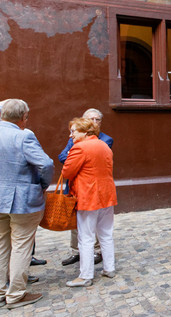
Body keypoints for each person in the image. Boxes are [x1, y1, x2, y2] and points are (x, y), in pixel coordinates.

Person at [0, 99, 53, 309]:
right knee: (22, 245)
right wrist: (42, 184)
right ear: (23, 117)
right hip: (22, 200)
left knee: (2, 245)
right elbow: (46, 164)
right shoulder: (23, 135)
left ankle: (1, 291)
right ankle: (16, 294)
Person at [62, 117, 118, 287]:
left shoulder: (80, 147)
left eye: (74, 131)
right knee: (105, 234)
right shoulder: (103, 145)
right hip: (106, 195)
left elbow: (67, 172)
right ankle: (109, 268)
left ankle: (86, 276)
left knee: (85, 237)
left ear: (85, 132)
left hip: (88, 196)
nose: (71, 135)